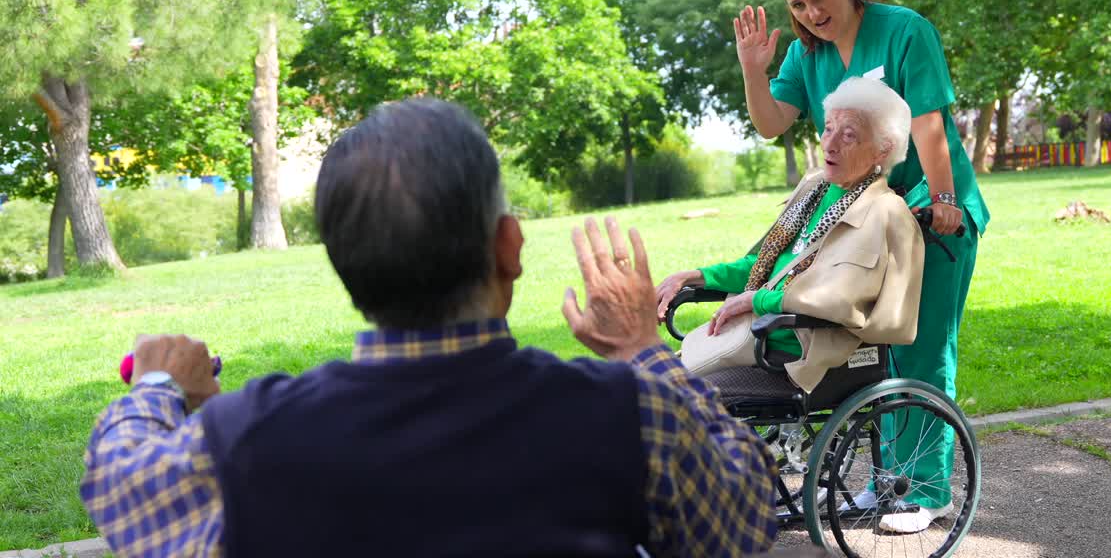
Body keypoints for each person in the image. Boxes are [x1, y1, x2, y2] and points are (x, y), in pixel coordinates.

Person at [80, 98, 778, 557]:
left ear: (347, 268)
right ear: (509, 248)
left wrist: (160, 385)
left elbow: (118, 482)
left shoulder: (246, 439)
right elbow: (744, 524)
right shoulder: (627, 412)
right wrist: (641, 350)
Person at [730, 0, 989, 534]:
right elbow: (772, 123)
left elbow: (928, 124)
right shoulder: (808, 55)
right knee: (876, 352)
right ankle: (886, 480)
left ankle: (925, 492)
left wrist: (945, 199)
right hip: (866, 218)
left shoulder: (904, 30)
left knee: (920, 346)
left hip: (930, 213)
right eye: (797, 5)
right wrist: (752, 71)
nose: (812, 13)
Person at [655, 77, 923, 396]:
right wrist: (698, 276)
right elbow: (766, 266)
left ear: (884, 148)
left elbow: (840, 300)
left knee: (656, 394)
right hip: (755, 339)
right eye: (828, 128)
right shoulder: (814, 188)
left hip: (796, 358)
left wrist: (757, 300)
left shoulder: (884, 212)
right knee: (639, 382)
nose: (830, 143)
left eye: (848, 135)